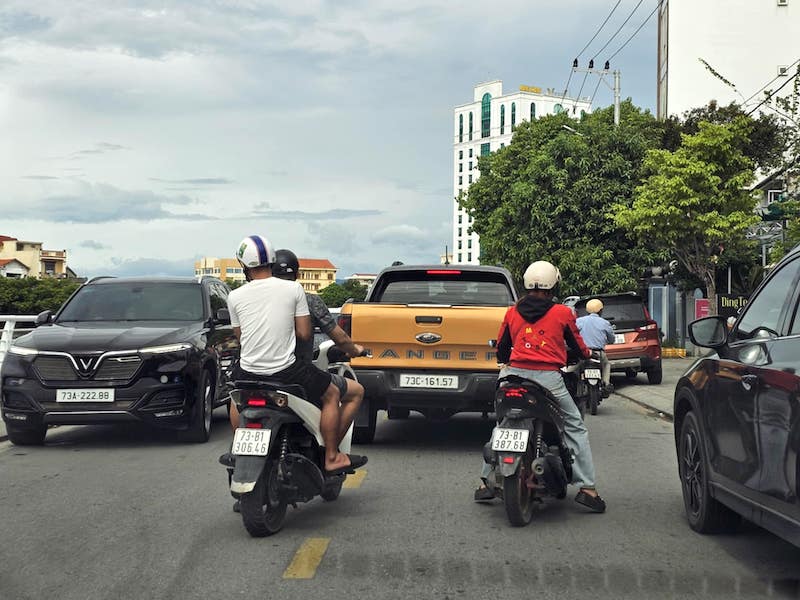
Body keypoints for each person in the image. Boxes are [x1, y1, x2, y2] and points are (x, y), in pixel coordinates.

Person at [224, 235, 367, 478]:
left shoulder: (234, 296)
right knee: (333, 394)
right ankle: (331, 456)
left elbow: (241, 336)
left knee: (237, 396)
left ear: (244, 266)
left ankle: (240, 451)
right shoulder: (294, 290)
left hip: (247, 370)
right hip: (287, 371)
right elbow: (303, 334)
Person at [474, 260, 606, 513]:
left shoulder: (512, 312)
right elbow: (578, 347)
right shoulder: (562, 313)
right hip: (548, 379)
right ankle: (587, 488)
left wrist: (507, 360)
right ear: (553, 284)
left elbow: (502, 347)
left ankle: (485, 482)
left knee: (503, 423)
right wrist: (584, 354)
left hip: (512, 377)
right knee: (574, 426)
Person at [272, 248, 366, 444]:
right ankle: (331, 454)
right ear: (297, 275)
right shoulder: (309, 300)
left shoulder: (255, 298)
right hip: (296, 373)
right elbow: (339, 337)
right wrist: (355, 349)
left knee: (237, 396)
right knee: (350, 392)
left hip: (252, 370)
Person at [576, 298, 616, 397]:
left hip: (583, 353)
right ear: (600, 310)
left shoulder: (579, 321)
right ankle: (606, 384)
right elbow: (611, 339)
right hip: (599, 354)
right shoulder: (605, 323)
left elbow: (572, 334)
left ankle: (577, 386)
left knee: (576, 368)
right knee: (607, 365)